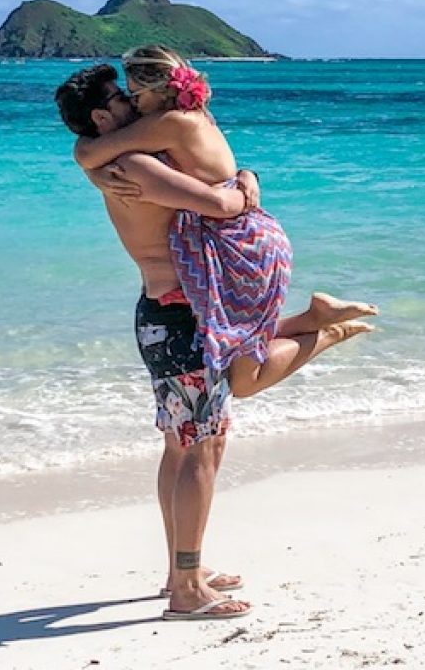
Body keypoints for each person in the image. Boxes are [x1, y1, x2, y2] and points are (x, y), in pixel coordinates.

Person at [55, 63, 374, 621]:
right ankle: (185, 591)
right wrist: (247, 183)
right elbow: (223, 204)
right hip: (178, 321)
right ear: (104, 117)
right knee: (198, 449)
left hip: (175, 316)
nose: (134, 103)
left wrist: (239, 174)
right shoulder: (131, 163)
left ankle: (183, 571)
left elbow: (203, 176)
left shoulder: (118, 159)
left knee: (188, 446)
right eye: (120, 99)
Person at [72, 45, 378, 390]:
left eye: (134, 93)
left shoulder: (167, 123)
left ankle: (330, 333)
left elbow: (91, 152)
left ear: (155, 92)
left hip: (239, 245)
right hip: (250, 238)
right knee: (234, 339)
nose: (133, 102)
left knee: (245, 382)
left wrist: (91, 168)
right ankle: (314, 318)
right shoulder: (198, 117)